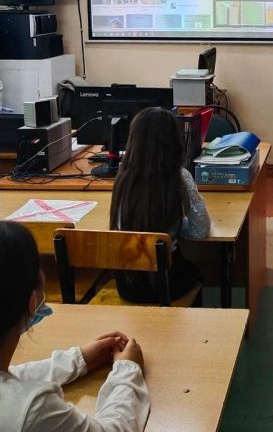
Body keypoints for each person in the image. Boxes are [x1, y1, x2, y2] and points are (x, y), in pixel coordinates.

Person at [0, 220, 149, 431]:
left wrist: (78, 359)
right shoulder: (32, 410)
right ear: (32, 302)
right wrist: (128, 369)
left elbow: (13, 376)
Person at [110, 106, 210, 303]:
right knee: (197, 271)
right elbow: (200, 230)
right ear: (174, 142)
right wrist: (173, 229)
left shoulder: (122, 178)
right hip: (165, 282)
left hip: (128, 284)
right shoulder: (180, 177)